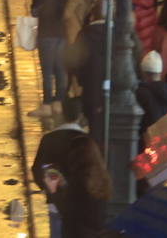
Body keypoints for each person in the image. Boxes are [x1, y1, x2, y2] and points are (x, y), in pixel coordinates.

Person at [32, 98, 109, 238]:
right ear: (80, 116)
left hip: (56, 206)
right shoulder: (88, 141)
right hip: (83, 211)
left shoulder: (49, 139)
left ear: (62, 115)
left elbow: (37, 170)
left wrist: (50, 191)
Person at [30, 0, 70, 117]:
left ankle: (46, 105)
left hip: (46, 34)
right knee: (60, 70)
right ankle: (58, 103)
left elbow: (34, 10)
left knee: (47, 72)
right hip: (62, 34)